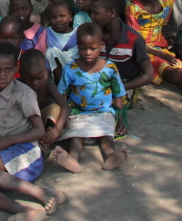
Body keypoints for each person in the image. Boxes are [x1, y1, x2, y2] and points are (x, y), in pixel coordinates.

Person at [0, 41, 67, 221]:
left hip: (25, 152)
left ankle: (44, 193)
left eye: (8, 69)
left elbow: (38, 131)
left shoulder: (23, 93)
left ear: (16, 69)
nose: (2, 75)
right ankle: (24, 210)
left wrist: (5, 141)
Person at [48, 23, 128, 173]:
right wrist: (62, 118)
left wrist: (121, 118)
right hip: (78, 112)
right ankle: (72, 159)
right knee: (76, 135)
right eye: (83, 48)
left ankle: (112, 156)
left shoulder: (110, 68)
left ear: (101, 45)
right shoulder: (70, 68)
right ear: (77, 46)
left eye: (93, 48)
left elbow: (118, 94)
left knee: (106, 136)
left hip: (103, 111)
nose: (88, 53)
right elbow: (62, 95)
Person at [88, 0, 157, 132]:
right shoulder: (94, 35)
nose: (92, 17)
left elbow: (148, 74)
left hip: (125, 85)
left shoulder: (133, 39)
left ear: (112, 13)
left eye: (96, 13)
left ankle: (114, 125)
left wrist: (122, 87)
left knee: (103, 105)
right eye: (91, 13)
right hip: (100, 83)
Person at [18, 48, 70, 147]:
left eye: (39, 78)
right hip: (25, 123)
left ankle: (49, 133)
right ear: (20, 73)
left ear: (46, 72)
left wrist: (57, 128)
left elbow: (65, 107)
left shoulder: (47, 85)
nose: (35, 83)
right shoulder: (17, 85)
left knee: (55, 108)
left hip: (45, 121)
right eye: (29, 79)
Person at [43, 0, 78, 82]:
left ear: (70, 17)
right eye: (53, 17)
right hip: (54, 77)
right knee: (50, 52)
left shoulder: (78, 33)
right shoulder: (45, 33)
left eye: (62, 16)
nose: (58, 20)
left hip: (75, 72)